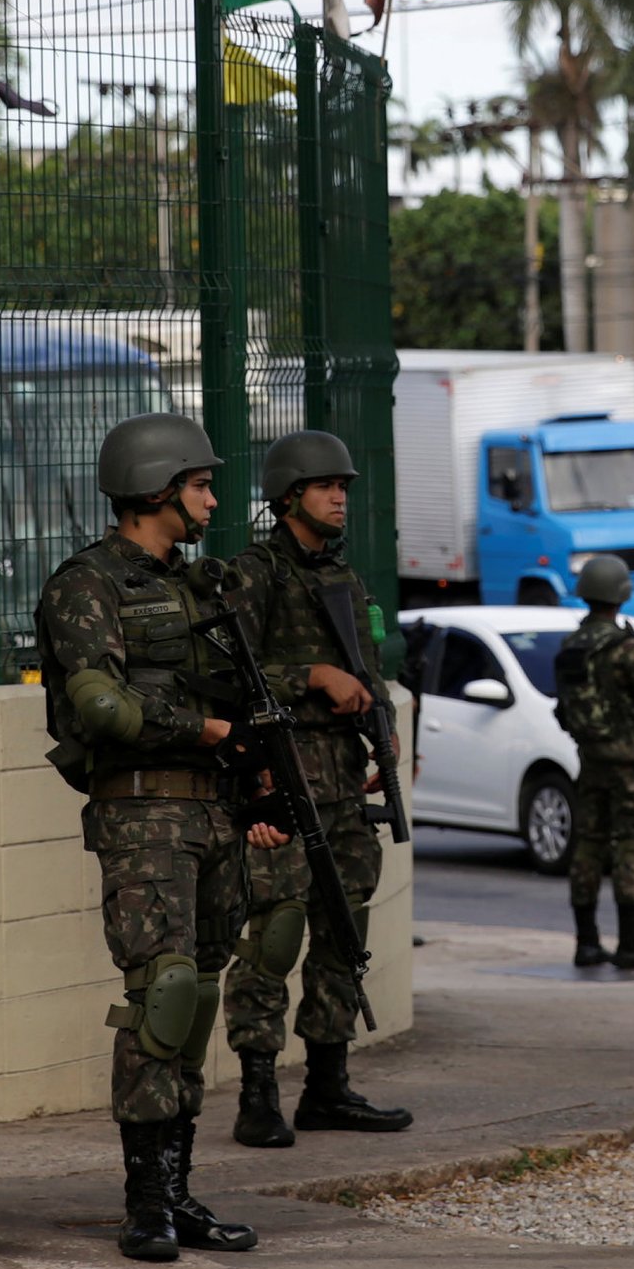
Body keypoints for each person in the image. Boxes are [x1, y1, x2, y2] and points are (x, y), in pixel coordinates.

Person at [36, 413, 274, 1262]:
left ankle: (179, 1190)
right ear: (157, 490)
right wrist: (204, 730)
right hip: (143, 810)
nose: (213, 499)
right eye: (202, 485)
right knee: (161, 994)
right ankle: (145, 1202)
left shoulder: (202, 585)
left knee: (200, 993)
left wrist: (254, 756)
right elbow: (101, 706)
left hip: (213, 809)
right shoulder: (87, 584)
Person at [221, 430, 412, 1147]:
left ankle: (328, 1085)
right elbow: (226, 674)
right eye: (328, 486)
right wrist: (311, 678)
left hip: (340, 787)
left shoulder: (344, 579)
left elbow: (369, 667)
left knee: (343, 934)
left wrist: (383, 731)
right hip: (285, 781)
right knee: (272, 937)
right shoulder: (254, 574)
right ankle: (258, 1092)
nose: (341, 498)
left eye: (346, 487)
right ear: (290, 494)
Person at [554, 553, 634, 971]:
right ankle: (631, 942)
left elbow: (563, 710)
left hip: (591, 762)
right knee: (631, 846)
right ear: (621, 595)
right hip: (631, 766)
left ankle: (586, 943)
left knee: (588, 846)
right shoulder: (627, 649)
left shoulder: (571, 647)